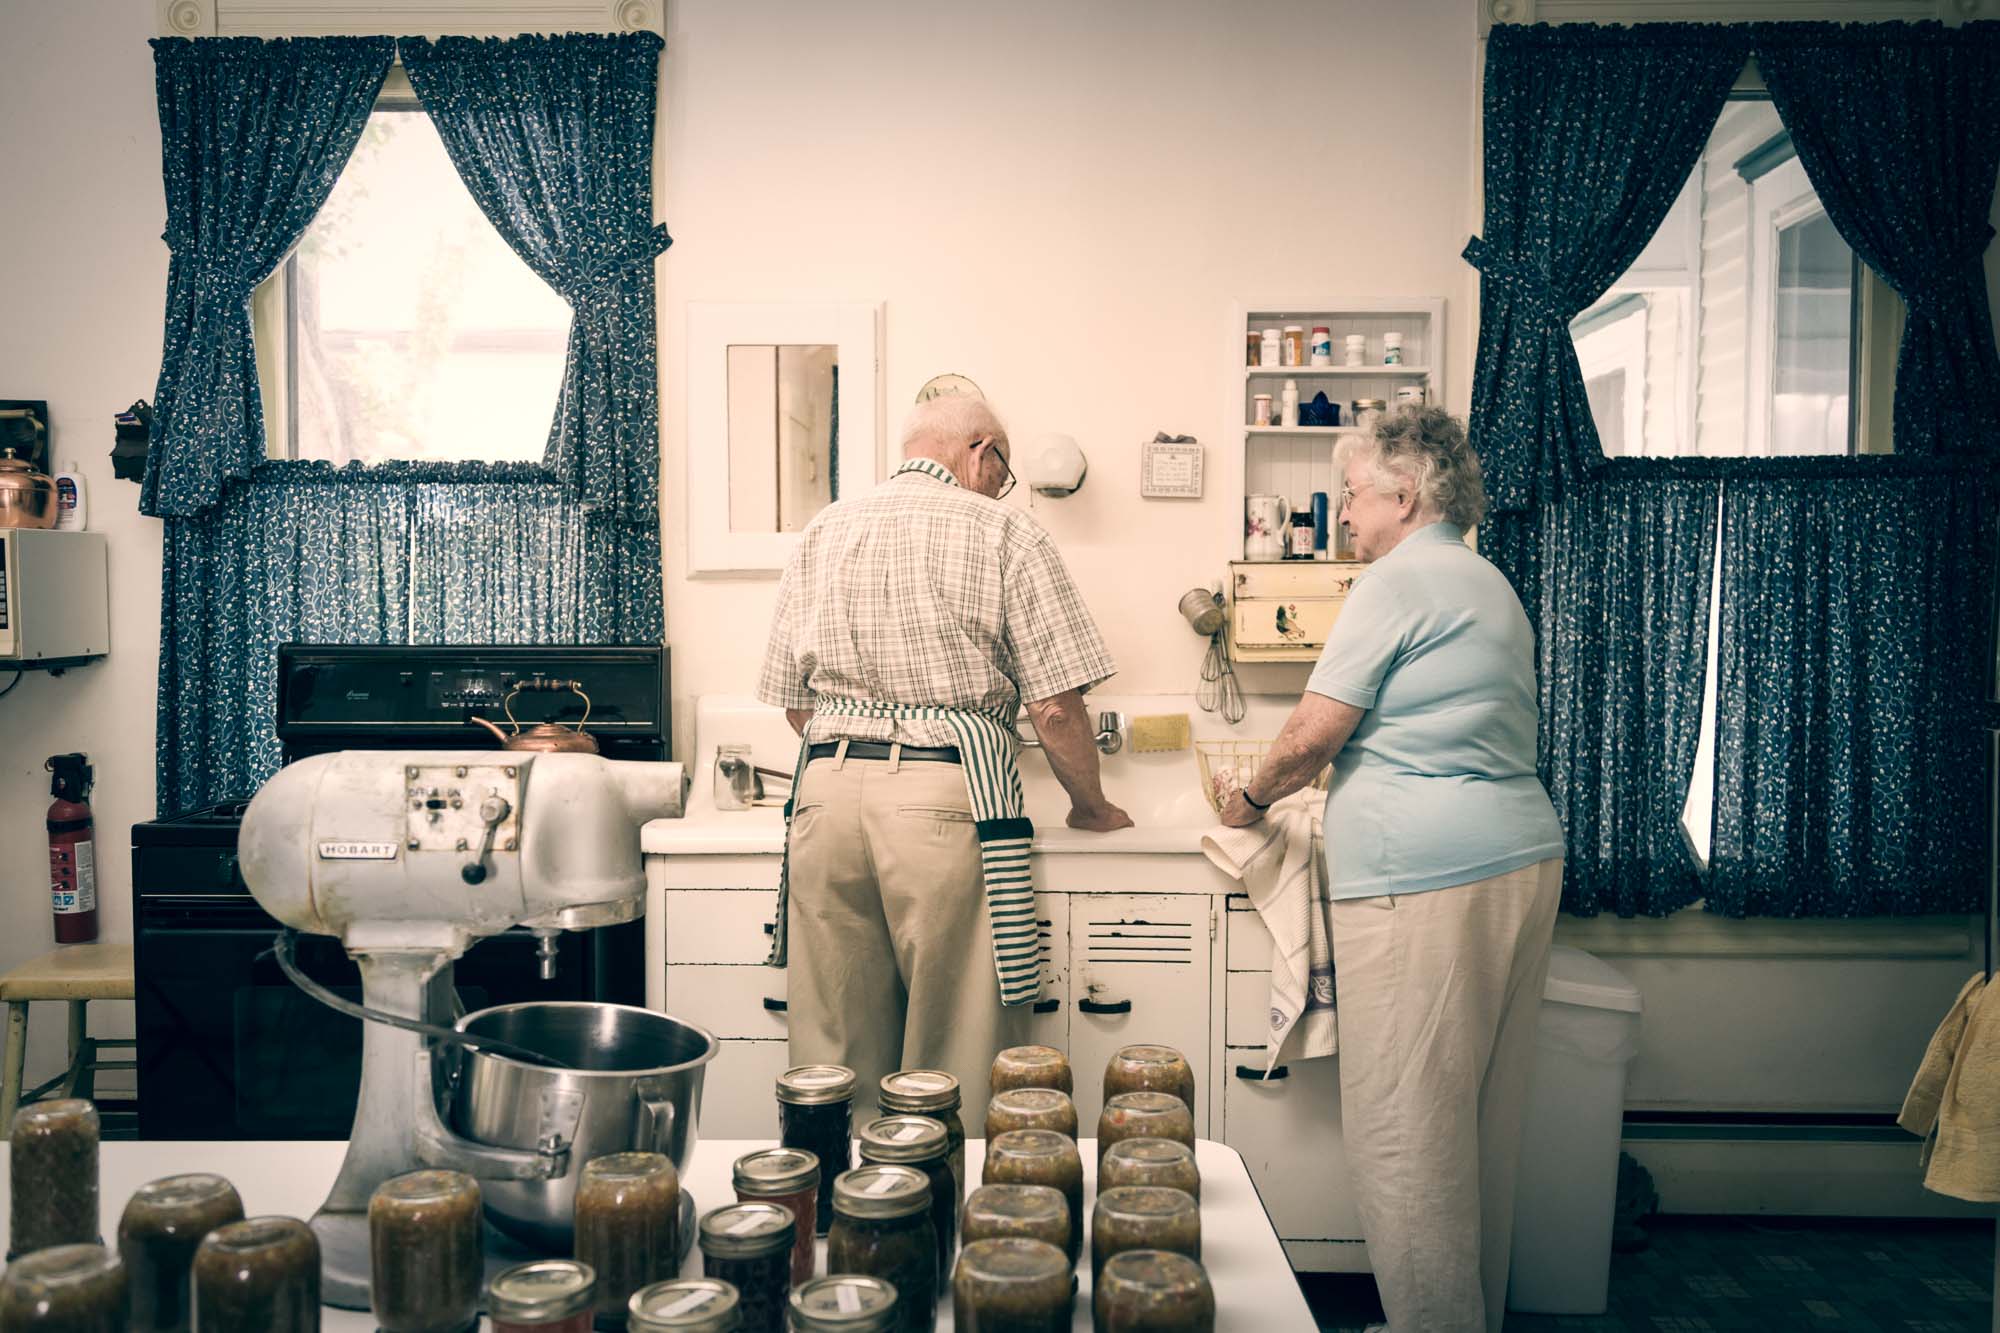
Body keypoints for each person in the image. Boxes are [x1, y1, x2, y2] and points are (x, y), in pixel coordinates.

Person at [1220, 404, 1565, 1333]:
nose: (1344, 514)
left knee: (1409, 1128)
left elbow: (1311, 733)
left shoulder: (1394, 581)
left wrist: (1247, 800)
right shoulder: (1487, 581)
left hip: (1428, 875)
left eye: (1357, 494)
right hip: (1520, 859)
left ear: (1405, 496)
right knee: (1480, 1125)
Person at [757, 393, 1132, 1121]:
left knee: (832, 1056)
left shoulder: (825, 527)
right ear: (980, 450)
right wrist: (1093, 805)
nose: (1001, 486)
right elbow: (1055, 708)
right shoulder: (1005, 533)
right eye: (1003, 472)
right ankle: (944, 1224)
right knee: (953, 1053)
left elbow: (793, 702)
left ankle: (844, 1222)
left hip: (825, 798)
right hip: (939, 803)